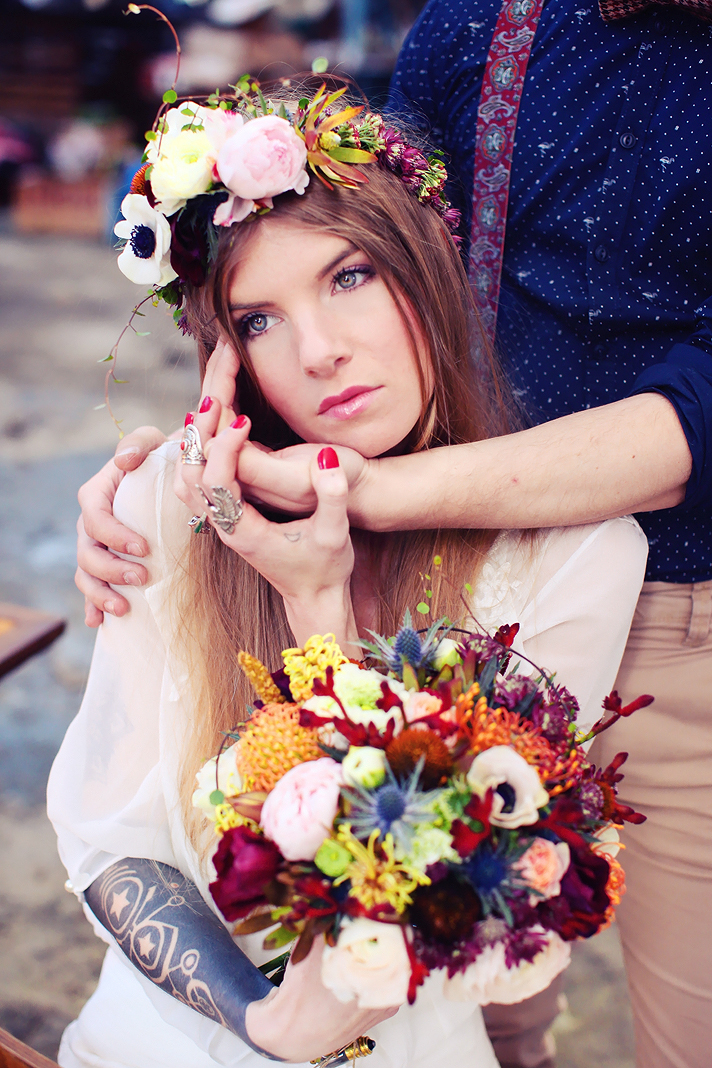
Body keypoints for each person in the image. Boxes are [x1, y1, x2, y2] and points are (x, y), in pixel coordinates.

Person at [74, 4, 712, 1066]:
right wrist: (170, 478)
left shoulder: (584, 556)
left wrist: (326, 582)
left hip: (655, 594)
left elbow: (423, 911)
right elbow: (109, 838)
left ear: (421, 270)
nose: (320, 352)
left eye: (353, 279)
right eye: (260, 322)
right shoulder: (476, 25)